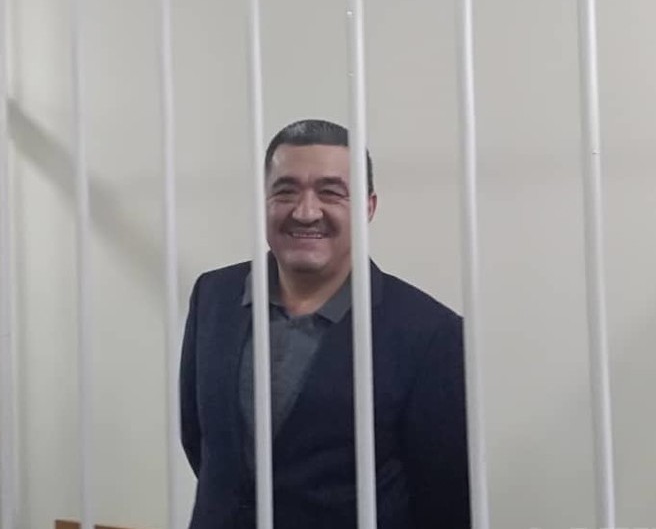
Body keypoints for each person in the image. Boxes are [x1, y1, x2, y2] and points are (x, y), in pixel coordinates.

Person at [180, 119, 471, 528]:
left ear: (368, 208)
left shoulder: (430, 334)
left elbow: (445, 501)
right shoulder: (214, 297)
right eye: (286, 191)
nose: (306, 212)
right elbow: (200, 442)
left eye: (331, 192)